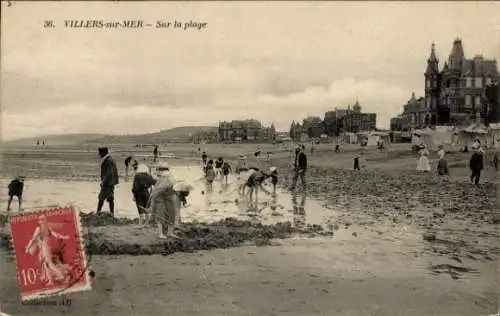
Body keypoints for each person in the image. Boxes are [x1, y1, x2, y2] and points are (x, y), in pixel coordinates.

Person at [25, 215, 71, 286]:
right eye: (39, 219)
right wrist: (64, 237)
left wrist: (28, 248)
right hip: (45, 248)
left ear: (43, 221)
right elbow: (56, 235)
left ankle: (61, 275)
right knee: (45, 265)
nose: (39, 221)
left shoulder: (39, 228)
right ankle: (50, 280)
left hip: (44, 249)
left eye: (40, 219)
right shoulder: (47, 228)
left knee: (49, 264)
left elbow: (33, 239)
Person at [148, 162, 180, 239]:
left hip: (168, 198)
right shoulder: (165, 178)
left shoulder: (167, 178)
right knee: (161, 216)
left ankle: (168, 233)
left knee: (169, 215)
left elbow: (157, 190)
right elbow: (157, 191)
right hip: (161, 199)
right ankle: (161, 234)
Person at [96, 147, 119, 216]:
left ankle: (103, 213)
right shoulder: (109, 159)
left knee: (106, 197)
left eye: (100, 153)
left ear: (103, 152)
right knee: (106, 197)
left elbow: (109, 172)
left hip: (108, 183)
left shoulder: (108, 160)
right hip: (109, 182)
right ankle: (110, 213)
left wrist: (104, 181)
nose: (99, 154)